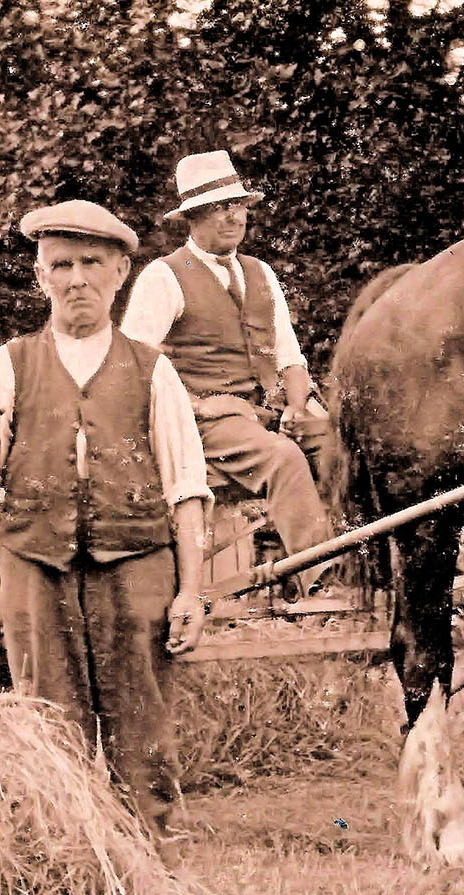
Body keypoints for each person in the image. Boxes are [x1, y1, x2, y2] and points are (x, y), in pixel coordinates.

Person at [0, 199, 211, 864]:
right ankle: (60, 862)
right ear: (40, 277)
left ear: (121, 273)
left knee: (141, 723)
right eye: (61, 264)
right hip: (37, 566)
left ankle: (153, 867)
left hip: (137, 567)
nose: (77, 277)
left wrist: (191, 592)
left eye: (92, 263)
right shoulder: (4, 366)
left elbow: (188, 490)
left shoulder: (153, 370)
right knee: (47, 720)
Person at [120, 150, 338, 599]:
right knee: (284, 459)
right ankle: (320, 583)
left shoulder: (261, 273)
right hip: (199, 425)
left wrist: (297, 407)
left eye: (237, 205)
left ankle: (363, 569)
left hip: (259, 415)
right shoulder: (163, 277)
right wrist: (198, 405)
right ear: (192, 219)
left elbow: (289, 356)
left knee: (341, 445)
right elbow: (132, 366)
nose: (232, 216)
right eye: (219, 208)